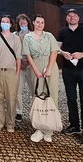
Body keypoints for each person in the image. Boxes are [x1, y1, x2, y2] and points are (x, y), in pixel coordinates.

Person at [57, 8, 83, 144]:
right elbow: (58, 49)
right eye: (69, 16)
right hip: (68, 70)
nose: (72, 17)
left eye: (74, 15)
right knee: (71, 99)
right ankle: (74, 125)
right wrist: (63, 53)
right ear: (67, 18)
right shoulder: (62, 32)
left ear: (78, 18)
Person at [24, 14, 59, 143]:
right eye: (37, 22)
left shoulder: (49, 36)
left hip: (51, 67)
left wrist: (49, 68)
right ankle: (38, 128)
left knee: (52, 95)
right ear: (33, 23)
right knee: (37, 96)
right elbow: (28, 55)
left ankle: (49, 129)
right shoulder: (27, 37)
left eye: (42, 22)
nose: (40, 24)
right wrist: (36, 70)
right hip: (35, 67)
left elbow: (54, 52)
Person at [0, 15, 21, 133]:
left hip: (11, 72)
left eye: (7, 21)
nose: (5, 23)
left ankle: (10, 124)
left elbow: (18, 57)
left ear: (11, 24)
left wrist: (17, 73)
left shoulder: (16, 38)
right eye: (3, 21)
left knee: (11, 99)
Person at [14, 14, 34, 122]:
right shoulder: (15, 35)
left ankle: (34, 112)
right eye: (20, 22)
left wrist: (29, 62)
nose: (23, 23)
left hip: (31, 66)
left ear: (28, 22)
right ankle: (19, 112)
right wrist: (20, 61)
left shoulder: (33, 34)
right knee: (17, 91)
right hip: (19, 66)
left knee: (34, 91)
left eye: (24, 21)